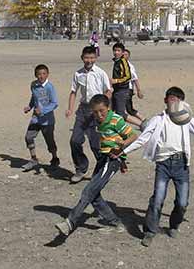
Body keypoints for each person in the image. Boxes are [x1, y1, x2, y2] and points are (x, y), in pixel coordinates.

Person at [124, 87, 194, 247]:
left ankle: (174, 224)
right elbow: (142, 139)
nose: (174, 102)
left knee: (182, 202)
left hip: (181, 165)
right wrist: (123, 153)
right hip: (163, 164)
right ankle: (149, 231)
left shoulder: (186, 119)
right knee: (157, 199)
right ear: (165, 100)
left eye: (178, 99)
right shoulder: (158, 120)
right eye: (171, 99)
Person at [54, 95, 138, 237]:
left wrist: (121, 152)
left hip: (111, 160)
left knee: (88, 191)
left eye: (102, 111)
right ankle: (115, 223)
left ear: (108, 108)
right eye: (95, 112)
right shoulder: (98, 121)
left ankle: (70, 222)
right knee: (94, 194)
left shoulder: (116, 120)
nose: (99, 115)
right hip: (103, 159)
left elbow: (133, 136)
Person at [66, 45, 113, 183]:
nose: (89, 60)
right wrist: (70, 108)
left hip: (97, 111)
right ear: (82, 58)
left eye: (92, 57)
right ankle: (81, 168)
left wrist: (103, 107)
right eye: (86, 57)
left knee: (96, 144)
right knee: (74, 141)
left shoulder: (100, 73)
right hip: (83, 110)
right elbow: (73, 92)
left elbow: (108, 91)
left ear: (96, 58)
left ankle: (102, 170)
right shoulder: (78, 74)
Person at [23, 64, 59, 172]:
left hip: (47, 121)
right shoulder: (33, 85)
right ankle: (34, 158)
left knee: (49, 141)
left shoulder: (50, 87)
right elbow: (34, 97)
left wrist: (43, 110)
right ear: (35, 75)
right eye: (39, 74)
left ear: (47, 74)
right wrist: (30, 106)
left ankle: (55, 158)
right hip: (36, 119)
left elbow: (55, 103)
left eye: (43, 74)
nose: (41, 76)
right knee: (28, 137)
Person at [110, 43, 143, 127]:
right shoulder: (116, 61)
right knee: (112, 110)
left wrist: (116, 80)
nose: (116, 52)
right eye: (115, 50)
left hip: (124, 90)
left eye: (118, 51)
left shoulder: (124, 62)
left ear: (122, 52)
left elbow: (129, 77)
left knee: (124, 112)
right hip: (117, 90)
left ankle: (142, 124)